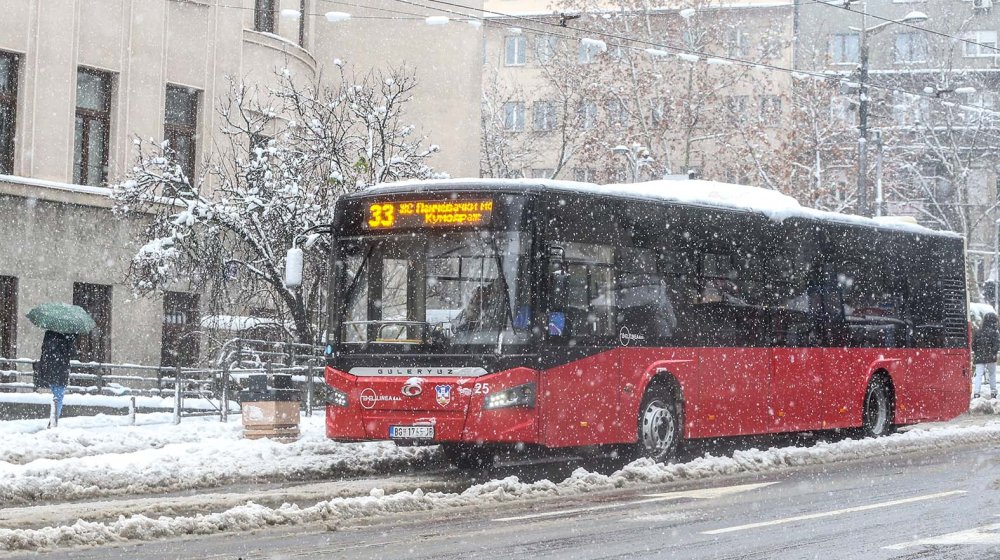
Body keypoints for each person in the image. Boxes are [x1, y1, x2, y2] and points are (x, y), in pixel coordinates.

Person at [37, 330, 76, 426]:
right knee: (59, 396)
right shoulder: (67, 336)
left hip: (50, 369)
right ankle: (53, 420)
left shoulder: (49, 333)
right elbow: (72, 353)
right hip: (61, 369)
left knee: (56, 394)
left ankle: (53, 419)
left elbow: (44, 350)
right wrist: (71, 339)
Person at [972, 312, 1000, 399]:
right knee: (992, 374)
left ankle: (976, 393)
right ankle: (993, 392)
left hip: (979, 356)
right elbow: (996, 345)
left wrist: (978, 352)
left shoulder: (978, 332)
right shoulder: (995, 333)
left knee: (979, 375)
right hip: (991, 357)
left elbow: (973, 345)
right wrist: (992, 352)